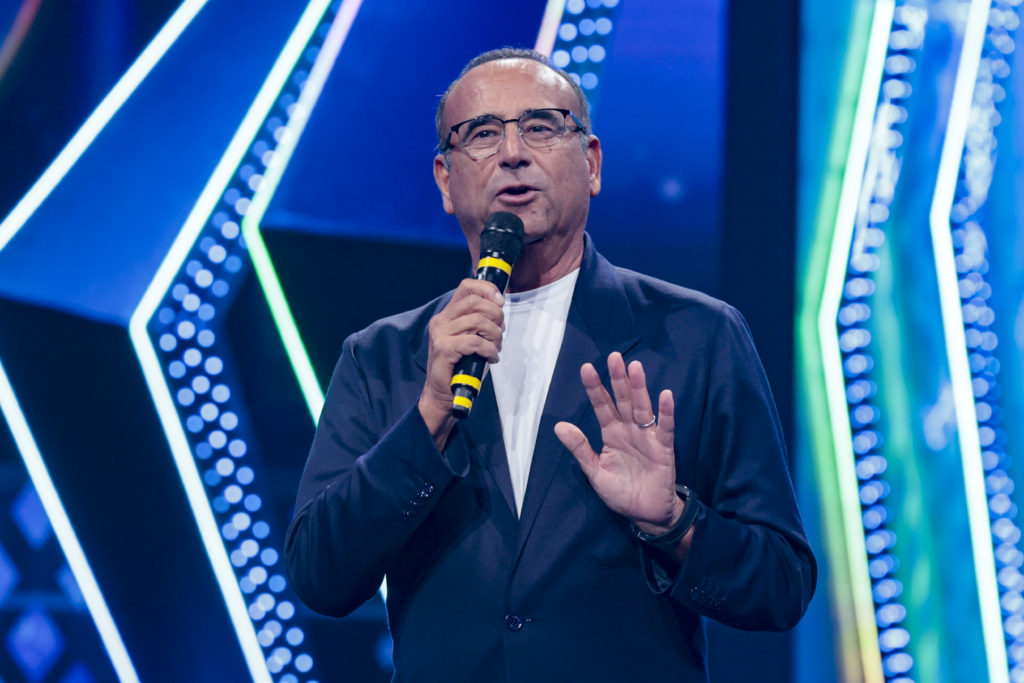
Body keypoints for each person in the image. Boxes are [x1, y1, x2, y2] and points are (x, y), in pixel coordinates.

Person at [285, 47, 816, 681]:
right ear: (445, 180)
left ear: (591, 163)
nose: (512, 152)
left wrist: (673, 522)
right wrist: (428, 420)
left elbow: (780, 585)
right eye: (482, 134)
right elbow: (320, 577)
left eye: (540, 126)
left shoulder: (696, 335)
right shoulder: (381, 357)